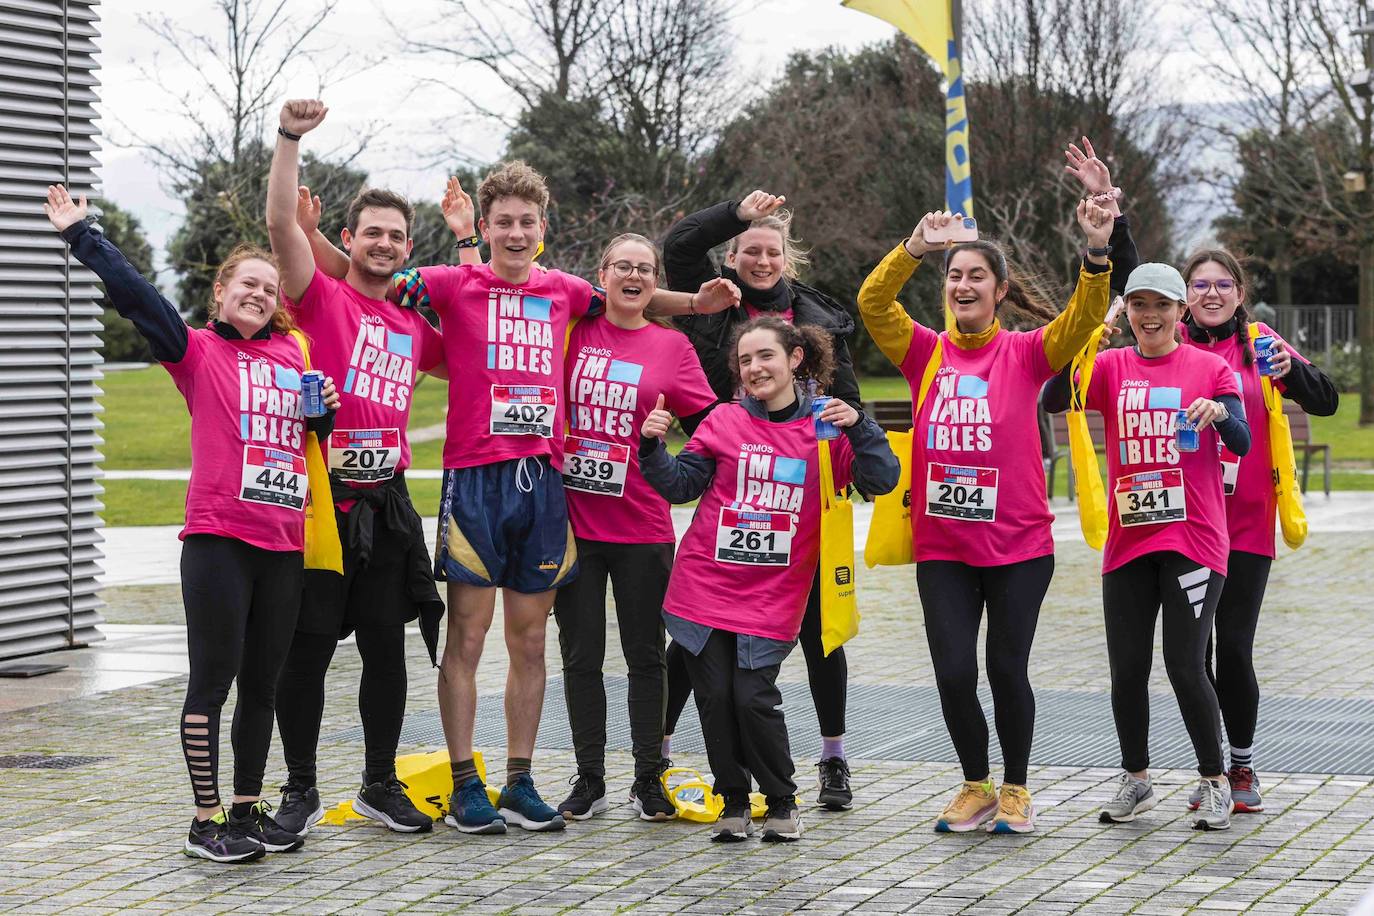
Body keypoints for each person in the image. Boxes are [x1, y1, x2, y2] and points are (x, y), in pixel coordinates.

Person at [388, 160, 740, 835]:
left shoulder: (566, 294)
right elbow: (372, 283)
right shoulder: (453, 283)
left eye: (527, 222)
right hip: (477, 482)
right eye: (503, 224)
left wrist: (694, 305)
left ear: (542, 230)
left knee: (531, 643)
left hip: (547, 488)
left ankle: (522, 781)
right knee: (468, 636)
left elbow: (633, 299)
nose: (516, 233)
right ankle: (469, 785)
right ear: (486, 229)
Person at [44, 184, 340, 862]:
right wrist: (83, 235)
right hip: (217, 541)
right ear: (221, 294)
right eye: (248, 284)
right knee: (214, 678)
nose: (261, 293)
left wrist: (319, 415)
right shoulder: (197, 351)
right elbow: (138, 298)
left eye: (270, 287)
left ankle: (245, 809)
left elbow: (308, 438)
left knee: (262, 685)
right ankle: (205, 821)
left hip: (282, 543)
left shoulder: (294, 355)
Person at [856, 200, 1116, 834]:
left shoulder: (1028, 353)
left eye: (976, 276)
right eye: (954, 275)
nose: (963, 284)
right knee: (953, 671)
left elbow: (1083, 318)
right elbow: (872, 304)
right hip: (943, 544)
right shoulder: (925, 353)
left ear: (999, 291)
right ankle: (975, 783)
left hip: (1020, 548)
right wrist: (913, 248)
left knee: (1006, 668)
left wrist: (1097, 252)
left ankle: (1017, 787)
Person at [264, 99, 467, 837]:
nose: (384, 244)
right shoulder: (320, 298)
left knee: (388, 648)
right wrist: (289, 140)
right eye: (371, 233)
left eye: (396, 237)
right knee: (307, 651)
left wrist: (470, 242)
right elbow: (283, 223)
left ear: (408, 248)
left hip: (388, 505)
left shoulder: (415, 324)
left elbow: (482, 328)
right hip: (323, 502)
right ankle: (301, 790)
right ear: (348, 240)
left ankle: (380, 782)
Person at [639, 316, 899, 842]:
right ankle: (733, 800)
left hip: (775, 593)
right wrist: (651, 449)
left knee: (752, 696)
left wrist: (862, 425)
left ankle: (781, 799)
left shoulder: (828, 427)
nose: (754, 368)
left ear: (795, 359)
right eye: (745, 360)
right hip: (705, 584)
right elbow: (682, 485)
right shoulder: (724, 421)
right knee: (714, 696)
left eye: (765, 357)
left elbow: (883, 478)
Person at [662, 191, 862, 809]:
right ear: (734, 253)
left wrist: (848, 451)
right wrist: (736, 213)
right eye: (750, 249)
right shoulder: (712, 298)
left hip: (800, 494)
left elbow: (847, 395)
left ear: (788, 260)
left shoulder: (817, 318)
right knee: (697, 634)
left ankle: (833, 758)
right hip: (730, 479)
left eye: (772, 251)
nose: (761, 260)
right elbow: (678, 245)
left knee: (818, 627)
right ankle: (657, 753)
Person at [1043, 262, 1252, 831]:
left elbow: (1243, 439)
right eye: (1139, 305)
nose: (1151, 315)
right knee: (1126, 669)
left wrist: (1217, 413)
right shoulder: (1110, 366)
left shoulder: (1209, 368)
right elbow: (1054, 399)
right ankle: (1136, 778)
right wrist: (1088, 341)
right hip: (1129, 541)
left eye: (1162, 305)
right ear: (1128, 312)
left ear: (1181, 313)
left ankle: (1215, 782)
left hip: (1194, 541)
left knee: (1185, 664)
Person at [552, 234, 718, 823]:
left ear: (653, 282)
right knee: (581, 656)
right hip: (574, 523)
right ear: (602, 273)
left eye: (645, 270)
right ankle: (589, 777)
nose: (634, 276)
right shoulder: (572, 330)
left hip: (643, 526)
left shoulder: (671, 347)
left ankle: (648, 777)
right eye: (622, 265)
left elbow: (711, 428)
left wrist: (670, 457)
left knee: (647, 656)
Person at [1177, 249, 1338, 814]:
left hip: (1245, 523)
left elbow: (1327, 400)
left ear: (1240, 293)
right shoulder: (1170, 340)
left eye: (1224, 284)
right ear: (1185, 294)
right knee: (1192, 656)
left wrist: (1290, 372)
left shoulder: (1260, 342)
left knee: (1234, 651)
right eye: (1200, 285)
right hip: (1185, 522)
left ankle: (1242, 768)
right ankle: (1211, 770)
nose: (1212, 294)